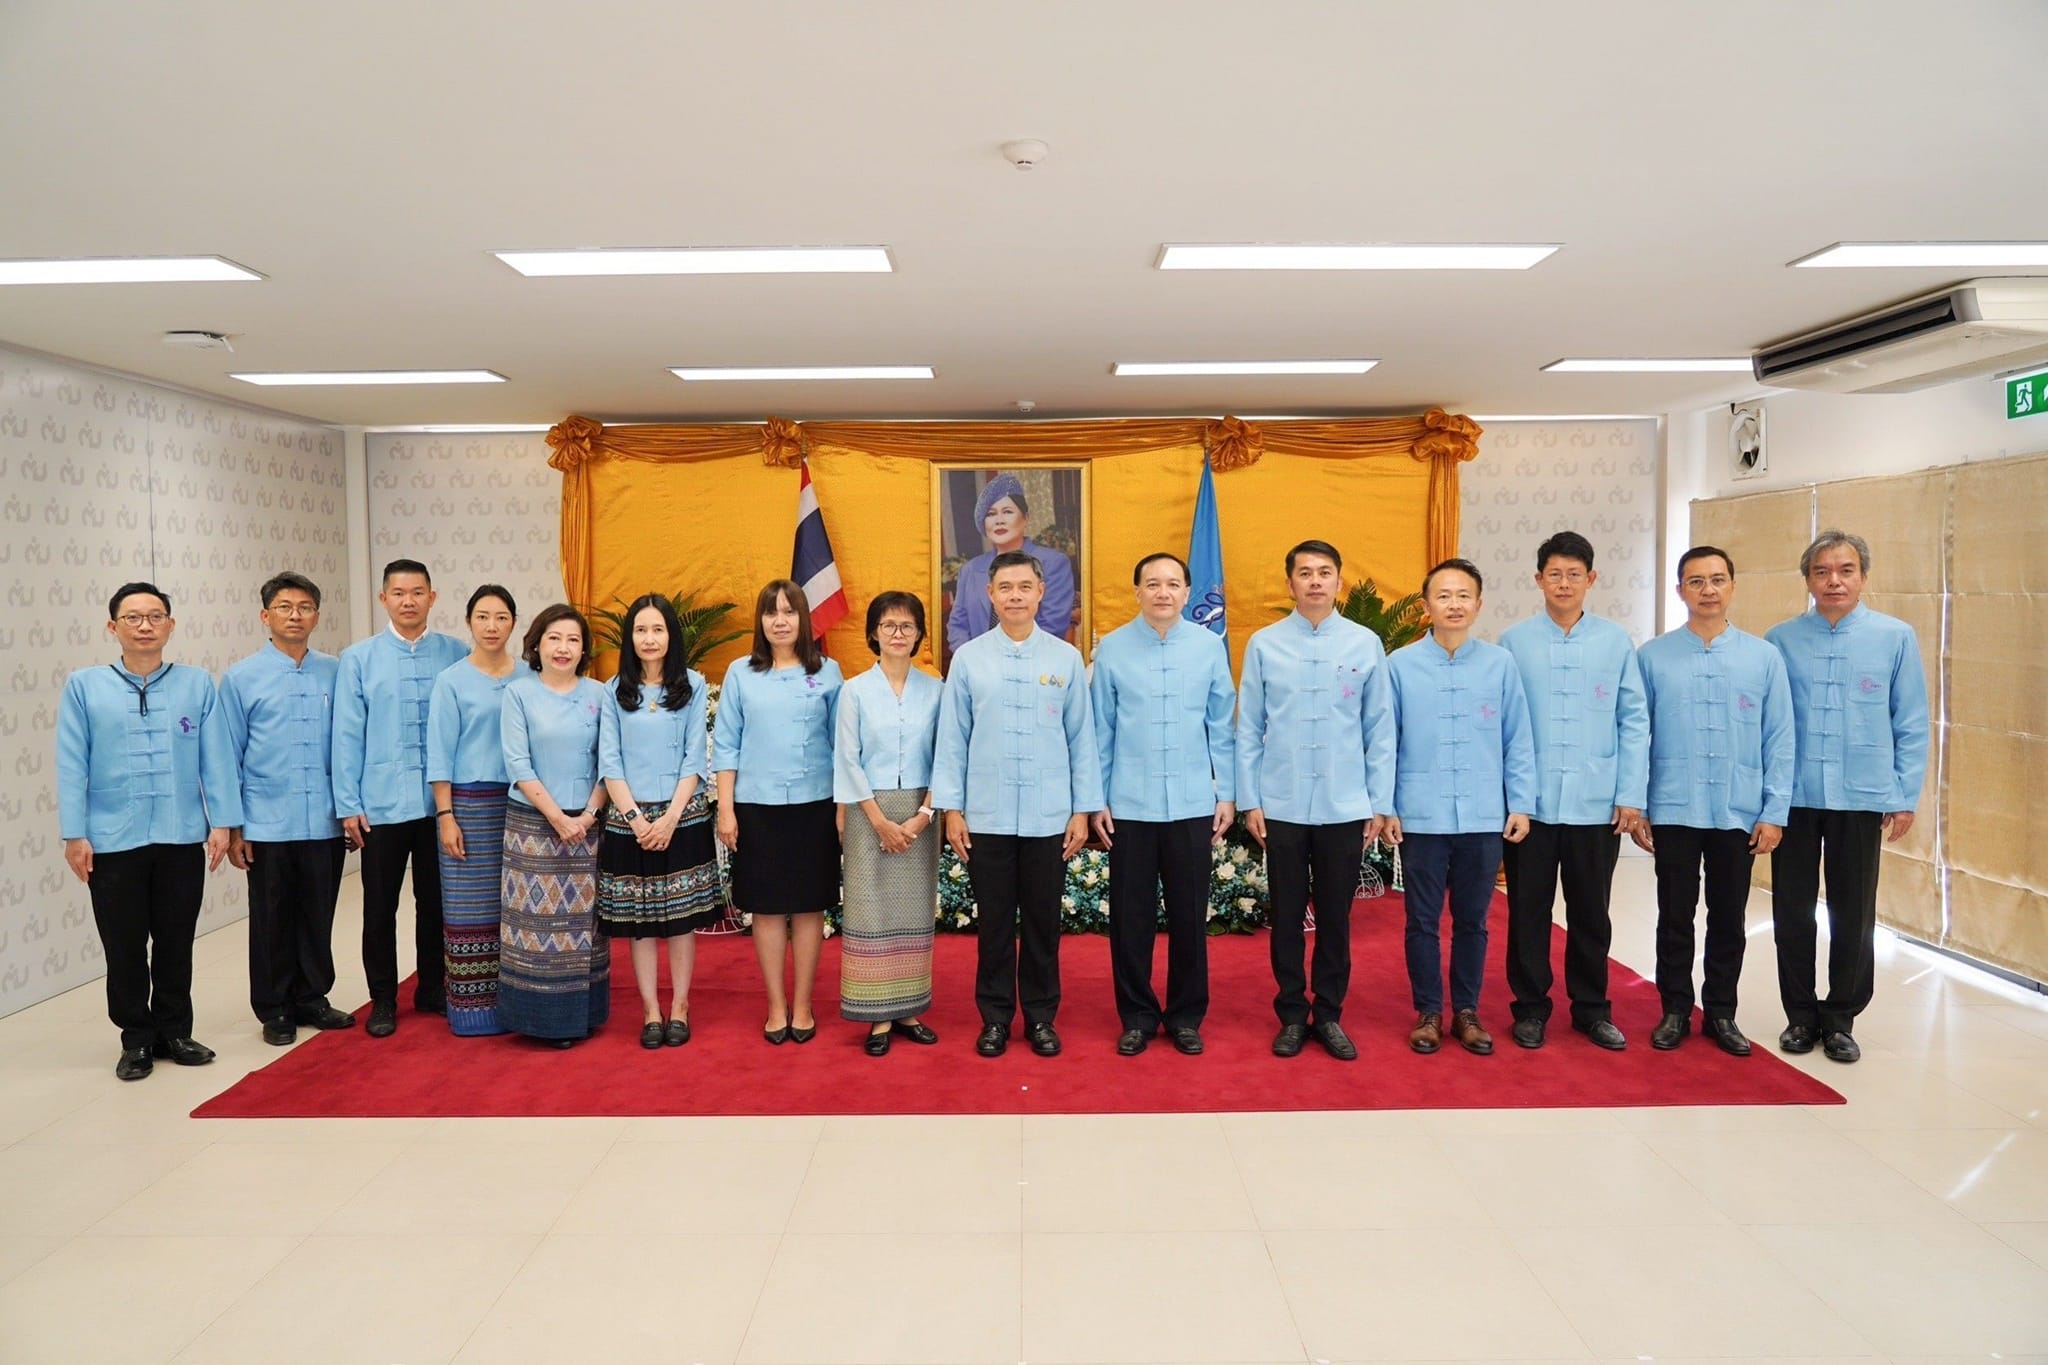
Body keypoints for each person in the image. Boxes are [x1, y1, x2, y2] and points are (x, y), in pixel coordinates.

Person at [57, 582, 241, 1080]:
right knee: (124, 943)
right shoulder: (85, 686)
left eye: (155, 616)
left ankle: (175, 1031)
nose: (145, 625)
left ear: (171, 625)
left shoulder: (196, 684)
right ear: (113, 627)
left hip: (181, 836)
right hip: (113, 839)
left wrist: (222, 821)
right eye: (133, 617)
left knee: (176, 939)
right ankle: (136, 1039)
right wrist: (74, 833)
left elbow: (216, 757)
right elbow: (72, 763)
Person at [1765, 530, 1929, 1064]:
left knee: (1853, 911)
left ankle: (1840, 1018)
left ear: (1862, 576)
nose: (1833, 580)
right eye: (1822, 571)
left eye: (1846, 570)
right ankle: (1799, 1016)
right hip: (1794, 795)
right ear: (1808, 579)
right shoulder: (1781, 639)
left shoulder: (1894, 637)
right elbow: (1769, 724)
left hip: (1862, 795)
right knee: (1790, 909)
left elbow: (1910, 721)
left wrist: (1904, 795)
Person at [933, 550, 1103, 1058]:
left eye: (1024, 587)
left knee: (1044, 924)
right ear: (990, 594)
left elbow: (1082, 738)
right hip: (986, 812)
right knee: (996, 923)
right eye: (1005, 588)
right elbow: (953, 738)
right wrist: (952, 810)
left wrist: (1080, 810)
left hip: (1050, 814)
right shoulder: (968, 658)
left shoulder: (1064, 658)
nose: (1015, 596)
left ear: (1041, 592)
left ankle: (1042, 1017)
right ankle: (995, 1018)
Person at [1237, 540, 1395, 1062]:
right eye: (1304, 573)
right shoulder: (1264, 644)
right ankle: (1290, 1014)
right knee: (1284, 915)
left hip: (1344, 803)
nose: (1314, 582)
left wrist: (1379, 801)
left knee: (1333, 916)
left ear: (1338, 581)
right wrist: (1249, 800)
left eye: (1324, 572)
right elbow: (1248, 728)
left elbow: (1380, 728)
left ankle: (1327, 1014)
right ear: (1290, 583)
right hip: (1280, 803)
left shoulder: (1364, 643)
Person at [1634, 546, 1795, 1056]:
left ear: (1732, 587)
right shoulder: (1653, 656)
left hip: (1737, 809)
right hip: (1674, 806)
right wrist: (1636, 804)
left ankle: (1722, 1012)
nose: (1708, 590)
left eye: (1717, 580)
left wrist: (1774, 811)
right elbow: (1638, 735)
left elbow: (1780, 737)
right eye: (1696, 581)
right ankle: (1675, 1009)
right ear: (1680, 589)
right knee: (1674, 915)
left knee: (1728, 918)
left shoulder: (1763, 657)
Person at [1498, 531, 1649, 1052]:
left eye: (1574, 574)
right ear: (1538, 579)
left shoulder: (1614, 642)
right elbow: (1503, 724)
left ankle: (1591, 1009)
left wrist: (1630, 794)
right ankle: (1531, 1008)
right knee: (1528, 911)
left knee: (1591, 912)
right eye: (1554, 574)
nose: (1564, 583)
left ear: (1592, 579)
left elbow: (1634, 721)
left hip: (1596, 802)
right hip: (1530, 807)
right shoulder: (1514, 642)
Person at [1384, 559, 1536, 1056]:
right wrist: (1386, 806)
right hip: (1421, 813)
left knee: (1474, 920)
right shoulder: (1400, 666)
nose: (1454, 604)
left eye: (1463, 595)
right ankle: (1429, 1011)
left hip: (1483, 815)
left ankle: (1466, 1011)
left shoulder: (1499, 664)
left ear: (1478, 603)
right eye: (1443, 596)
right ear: (1425, 605)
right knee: (1421, 920)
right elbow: (1387, 742)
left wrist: (1521, 804)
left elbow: (1518, 739)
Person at [1089, 551, 1236, 1057]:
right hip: (1129, 804)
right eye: (1152, 583)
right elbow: (1100, 730)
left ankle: (1186, 1015)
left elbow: (1222, 726)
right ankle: (1136, 1015)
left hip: (1193, 801)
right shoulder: (1112, 649)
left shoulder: (1208, 647)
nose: (1163, 592)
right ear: (1137, 592)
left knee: (1190, 915)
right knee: (1130, 918)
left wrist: (1227, 793)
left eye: (1173, 584)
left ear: (1188, 593)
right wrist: (1096, 799)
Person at [218, 571, 355, 1047]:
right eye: (284, 607)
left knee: (319, 911)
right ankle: (274, 1007)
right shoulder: (240, 678)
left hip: (323, 816)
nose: (295, 615)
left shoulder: (337, 671)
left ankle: (313, 997)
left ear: (317, 615)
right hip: (265, 820)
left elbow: (349, 744)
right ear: (265, 615)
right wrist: (235, 827)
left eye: (304, 607)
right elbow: (226, 755)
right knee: (272, 917)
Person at [331, 558, 466, 1038]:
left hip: (439, 807)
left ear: (433, 597)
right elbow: (345, 735)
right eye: (399, 593)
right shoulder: (359, 658)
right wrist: (348, 803)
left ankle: (432, 987)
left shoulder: (455, 653)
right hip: (381, 804)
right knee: (378, 906)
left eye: (418, 592)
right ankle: (383, 997)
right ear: (383, 598)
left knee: (436, 902)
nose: (408, 601)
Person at [714, 580, 844, 1045]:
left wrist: (843, 809)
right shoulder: (740, 673)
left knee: (809, 906)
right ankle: (775, 1006)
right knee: (767, 909)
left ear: (804, 619)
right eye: (772, 612)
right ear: (761, 621)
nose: (781, 620)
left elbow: (842, 746)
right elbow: (725, 745)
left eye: (790, 612)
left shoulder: (828, 672)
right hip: (756, 806)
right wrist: (725, 810)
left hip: (815, 804)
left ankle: (804, 1005)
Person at [599, 594, 720, 1050]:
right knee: (640, 922)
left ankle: (681, 1005)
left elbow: (695, 760)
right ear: (630, 638)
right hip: (628, 821)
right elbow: (610, 761)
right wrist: (635, 819)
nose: (649, 639)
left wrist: (669, 818)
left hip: (681, 817)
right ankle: (651, 1009)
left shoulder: (691, 684)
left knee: (680, 920)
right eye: (641, 631)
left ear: (672, 635)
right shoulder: (613, 690)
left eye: (658, 630)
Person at [833, 591, 944, 1056]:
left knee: (914, 912)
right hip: (867, 812)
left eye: (907, 626)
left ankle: (908, 1008)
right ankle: (877, 1016)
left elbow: (947, 757)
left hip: (921, 812)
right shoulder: (854, 690)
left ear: (919, 634)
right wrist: (879, 821)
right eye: (888, 625)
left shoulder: (936, 689)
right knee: (870, 911)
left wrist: (921, 817)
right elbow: (847, 759)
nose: (898, 634)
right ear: (874, 633)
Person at [498, 604, 610, 1046]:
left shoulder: (599, 694)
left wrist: (586, 815)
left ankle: (583, 1016)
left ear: (583, 649)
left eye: (573, 640)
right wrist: (558, 818)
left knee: (584, 925)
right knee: (535, 924)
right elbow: (518, 763)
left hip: (587, 822)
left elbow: (609, 763)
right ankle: (539, 1019)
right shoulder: (519, 694)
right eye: (554, 639)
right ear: (537, 644)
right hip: (533, 825)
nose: (563, 648)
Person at [427, 585, 520, 1037]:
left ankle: (518, 1003)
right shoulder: (452, 680)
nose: (491, 626)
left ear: (514, 625)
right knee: (469, 908)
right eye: (482, 617)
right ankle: (472, 1009)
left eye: (501, 617)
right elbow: (439, 755)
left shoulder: (529, 678)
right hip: (468, 805)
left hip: (522, 805)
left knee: (517, 907)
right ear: (469, 622)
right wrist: (446, 816)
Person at [944, 473, 1076, 650]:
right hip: (978, 668)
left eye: (1007, 512)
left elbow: (1053, 625)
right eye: (991, 514)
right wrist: (971, 660)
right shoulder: (970, 569)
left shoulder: (1053, 563)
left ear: (1026, 518)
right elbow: (958, 626)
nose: (999, 521)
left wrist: (1010, 661)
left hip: (1033, 666)